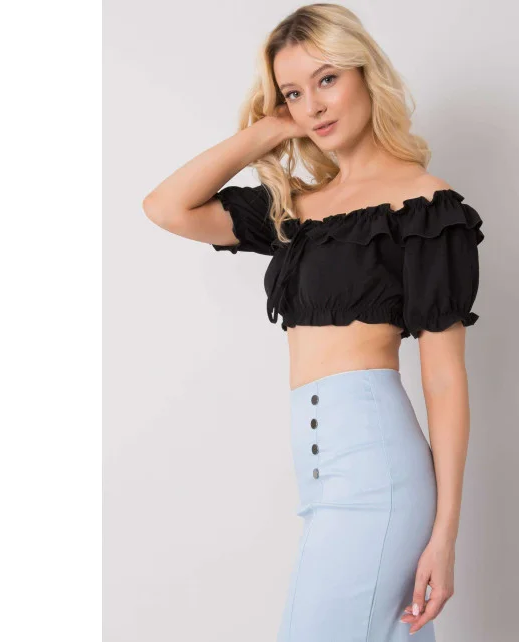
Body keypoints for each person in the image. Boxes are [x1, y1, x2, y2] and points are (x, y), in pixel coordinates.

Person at [143, 4, 484, 640]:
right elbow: (166, 207)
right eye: (294, 92)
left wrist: (445, 535)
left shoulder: (425, 206)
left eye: (327, 79)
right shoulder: (294, 210)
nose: (314, 106)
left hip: (376, 475)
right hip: (320, 476)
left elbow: (443, 379)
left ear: (365, 74)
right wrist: (269, 130)